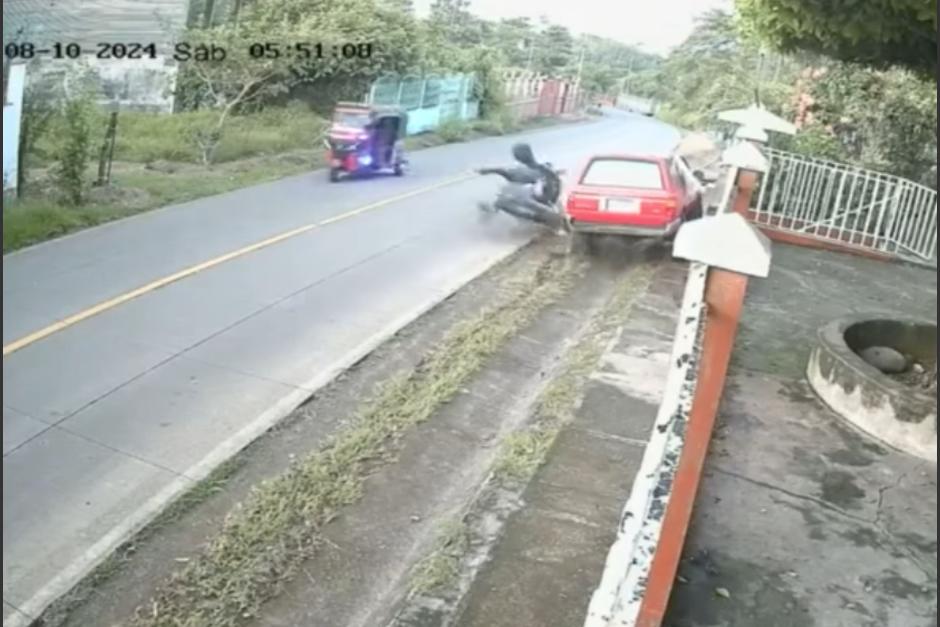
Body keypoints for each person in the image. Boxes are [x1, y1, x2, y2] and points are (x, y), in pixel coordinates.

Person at [476, 143, 566, 232]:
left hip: (538, 201)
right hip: (528, 199)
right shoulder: (539, 169)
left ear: (516, 156)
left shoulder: (535, 170)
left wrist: (488, 170)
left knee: (548, 213)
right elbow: (502, 171)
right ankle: (493, 211)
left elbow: (503, 171)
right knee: (506, 196)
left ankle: (553, 225)